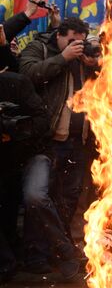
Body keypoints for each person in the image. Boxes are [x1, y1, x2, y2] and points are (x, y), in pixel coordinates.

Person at [19, 17, 99, 263]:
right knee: (39, 198)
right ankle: (35, 257)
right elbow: (27, 75)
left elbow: (107, 86)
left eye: (81, 42)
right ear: (59, 35)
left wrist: (95, 64)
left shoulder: (83, 58)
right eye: (72, 40)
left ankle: (56, 253)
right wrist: (63, 57)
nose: (77, 45)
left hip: (78, 142)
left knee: (68, 201)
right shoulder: (40, 47)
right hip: (46, 140)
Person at [0, 71, 80, 281]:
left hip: (32, 152)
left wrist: (13, 130)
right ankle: (7, 263)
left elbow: (43, 120)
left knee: (35, 196)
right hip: (4, 162)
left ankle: (64, 251)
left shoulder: (15, 83)